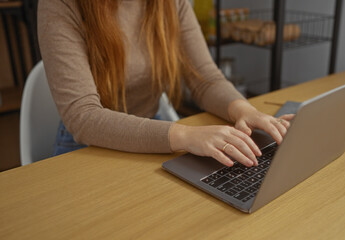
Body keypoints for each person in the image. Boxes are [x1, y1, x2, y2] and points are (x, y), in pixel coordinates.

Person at [38, 0, 293, 167]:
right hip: (86, 146)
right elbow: (82, 117)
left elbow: (204, 78)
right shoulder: (60, 4)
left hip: (153, 129)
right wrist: (184, 135)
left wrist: (243, 110)